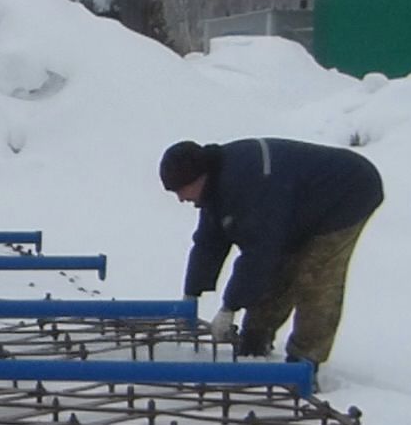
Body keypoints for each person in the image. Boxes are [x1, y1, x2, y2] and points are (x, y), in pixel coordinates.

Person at [160, 137, 383, 375]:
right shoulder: (215, 186)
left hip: (346, 193)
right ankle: (255, 341)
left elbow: (258, 254)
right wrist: (191, 294)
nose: (181, 199)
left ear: (199, 177)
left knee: (315, 278)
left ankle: (304, 363)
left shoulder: (248, 184)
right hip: (295, 208)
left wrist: (229, 307)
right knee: (278, 268)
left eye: (181, 190)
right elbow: (208, 243)